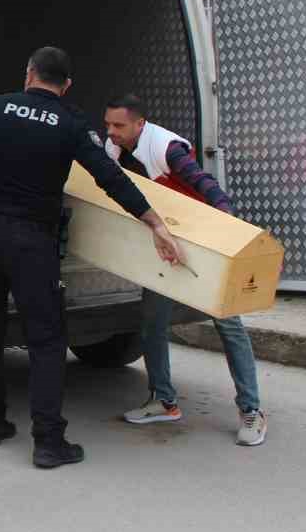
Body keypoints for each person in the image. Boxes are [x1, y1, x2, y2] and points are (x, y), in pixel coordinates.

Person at [0, 47, 183, 469]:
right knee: (45, 340)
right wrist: (154, 222)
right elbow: (109, 177)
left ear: (29, 74)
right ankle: (48, 442)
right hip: (31, 241)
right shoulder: (71, 122)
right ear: (67, 85)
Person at [102, 94, 266, 446]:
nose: (111, 132)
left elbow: (207, 186)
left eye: (118, 126)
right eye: (108, 124)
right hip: (165, 240)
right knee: (152, 319)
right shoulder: (113, 149)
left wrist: (226, 229)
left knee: (229, 324)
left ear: (139, 124)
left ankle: (252, 411)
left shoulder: (166, 148)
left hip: (202, 240)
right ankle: (163, 400)